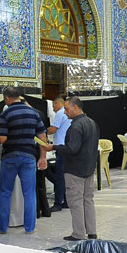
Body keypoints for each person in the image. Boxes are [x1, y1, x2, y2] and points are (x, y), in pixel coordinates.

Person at [45, 97, 99, 241]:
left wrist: (53, 147)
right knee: (88, 200)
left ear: (75, 108)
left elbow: (72, 149)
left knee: (75, 202)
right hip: (88, 169)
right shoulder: (92, 123)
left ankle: (78, 234)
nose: (65, 112)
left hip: (75, 170)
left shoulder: (76, 126)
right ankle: (92, 232)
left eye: (67, 109)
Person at [0, 87, 47, 234]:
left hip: (10, 157)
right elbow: (42, 137)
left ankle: (2, 228)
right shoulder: (34, 113)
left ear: (7, 98)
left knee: (5, 192)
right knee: (29, 193)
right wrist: (43, 157)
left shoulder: (6, 114)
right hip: (29, 157)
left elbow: (2, 139)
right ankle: (30, 228)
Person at [47, 96, 71, 212]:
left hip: (60, 149)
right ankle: (66, 201)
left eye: (53, 106)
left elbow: (53, 129)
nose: (53, 109)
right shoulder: (65, 114)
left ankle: (58, 203)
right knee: (65, 177)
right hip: (66, 148)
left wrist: (41, 131)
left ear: (57, 103)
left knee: (59, 177)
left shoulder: (60, 113)